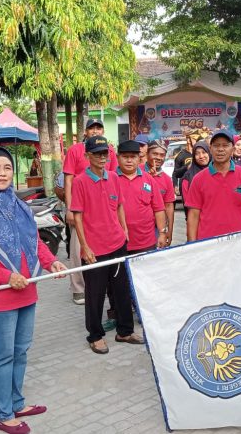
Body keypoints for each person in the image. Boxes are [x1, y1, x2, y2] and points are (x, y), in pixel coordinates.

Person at [0, 148, 66, 434]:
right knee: (2, 356)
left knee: (20, 352)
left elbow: (33, 242)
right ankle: (3, 414)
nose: (2, 173)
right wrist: (6, 275)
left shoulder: (19, 206)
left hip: (26, 292)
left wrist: (51, 261)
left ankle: (17, 403)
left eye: (7, 167)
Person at [70, 136, 144, 354]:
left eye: (105, 153)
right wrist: (85, 246)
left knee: (121, 291)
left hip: (117, 244)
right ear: (88, 156)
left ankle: (125, 331)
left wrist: (124, 229)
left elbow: (119, 205)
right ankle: (95, 335)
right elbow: (77, 217)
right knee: (95, 294)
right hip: (95, 249)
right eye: (97, 154)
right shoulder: (80, 181)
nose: (102, 157)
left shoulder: (113, 177)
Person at [62, 119, 117, 305]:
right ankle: (78, 288)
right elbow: (68, 180)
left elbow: (114, 177)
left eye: (98, 127)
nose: (95, 130)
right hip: (80, 205)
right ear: (85, 132)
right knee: (78, 247)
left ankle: (104, 285)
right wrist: (70, 208)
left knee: (105, 245)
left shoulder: (109, 150)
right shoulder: (75, 150)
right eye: (91, 128)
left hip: (104, 207)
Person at [185, 130, 241, 241]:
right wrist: (192, 244)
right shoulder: (198, 179)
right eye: (216, 145)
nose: (220, 149)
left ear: (233, 149)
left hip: (239, 242)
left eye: (225, 145)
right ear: (210, 149)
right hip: (208, 243)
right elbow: (193, 215)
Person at [116, 140, 168, 252]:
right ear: (117, 157)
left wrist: (162, 233)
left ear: (139, 158)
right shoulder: (110, 179)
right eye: (125, 157)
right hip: (117, 242)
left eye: (133, 157)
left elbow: (159, 209)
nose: (129, 160)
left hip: (146, 241)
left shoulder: (149, 179)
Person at [145, 139, 175, 246]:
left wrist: (169, 231)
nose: (158, 157)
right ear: (147, 154)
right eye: (155, 154)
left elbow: (169, 206)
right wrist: (147, 177)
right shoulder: (136, 172)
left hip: (157, 228)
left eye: (162, 155)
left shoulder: (166, 179)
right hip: (137, 227)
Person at [181, 140, 211, 205]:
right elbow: (187, 203)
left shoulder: (217, 172)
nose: (201, 156)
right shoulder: (188, 177)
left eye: (204, 152)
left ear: (209, 153)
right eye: (197, 154)